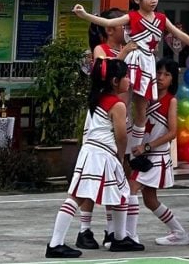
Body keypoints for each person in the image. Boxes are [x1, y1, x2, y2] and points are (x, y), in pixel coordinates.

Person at [72, 0, 189, 155]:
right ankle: (115, 143)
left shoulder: (161, 18)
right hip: (133, 60)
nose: (153, 0)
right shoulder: (131, 17)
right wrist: (85, 15)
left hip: (149, 62)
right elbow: (106, 23)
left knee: (141, 109)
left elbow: (179, 34)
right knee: (123, 103)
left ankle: (132, 151)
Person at [46, 59, 136, 258]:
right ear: (115, 81)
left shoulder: (98, 98)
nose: (129, 80)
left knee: (121, 191)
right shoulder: (117, 104)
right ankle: (55, 244)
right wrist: (121, 158)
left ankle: (119, 238)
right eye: (126, 76)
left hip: (93, 152)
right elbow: (121, 136)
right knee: (77, 197)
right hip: (101, 154)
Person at [75, 9, 137, 251]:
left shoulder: (130, 49)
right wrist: (125, 53)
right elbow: (107, 77)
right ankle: (84, 229)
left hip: (121, 114)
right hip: (101, 120)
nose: (127, 28)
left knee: (115, 177)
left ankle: (114, 232)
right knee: (92, 177)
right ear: (110, 28)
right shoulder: (101, 50)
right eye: (122, 24)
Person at [127, 59, 189, 246]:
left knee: (131, 190)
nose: (161, 77)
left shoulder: (171, 100)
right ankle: (179, 232)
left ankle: (129, 236)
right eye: (159, 73)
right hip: (142, 154)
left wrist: (147, 147)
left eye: (166, 74)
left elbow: (172, 133)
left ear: (172, 79)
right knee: (150, 199)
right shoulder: (144, 96)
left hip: (155, 156)